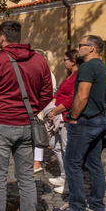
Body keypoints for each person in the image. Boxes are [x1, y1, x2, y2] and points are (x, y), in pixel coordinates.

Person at [0, 21, 53, 211]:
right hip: (27, 125)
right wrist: (34, 110)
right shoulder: (39, 61)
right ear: (19, 38)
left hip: (0, 123)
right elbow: (47, 93)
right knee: (26, 177)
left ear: (2, 39)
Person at [52, 35, 106, 211]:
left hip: (85, 121)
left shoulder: (87, 67)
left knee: (72, 162)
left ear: (92, 48)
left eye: (81, 45)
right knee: (94, 164)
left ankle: (77, 205)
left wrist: (74, 117)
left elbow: (82, 96)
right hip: (100, 120)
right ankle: (96, 204)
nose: (78, 48)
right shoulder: (103, 67)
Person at [44, 49, 81, 193]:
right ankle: (63, 174)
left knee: (66, 149)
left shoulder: (77, 77)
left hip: (65, 117)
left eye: (65, 59)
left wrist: (54, 111)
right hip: (56, 115)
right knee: (55, 145)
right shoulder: (68, 76)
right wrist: (51, 109)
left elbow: (70, 99)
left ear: (73, 61)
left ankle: (69, 183)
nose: (63, 62)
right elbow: (59, 93)